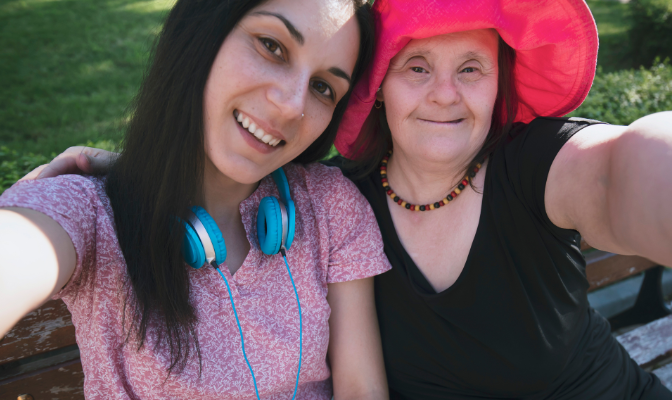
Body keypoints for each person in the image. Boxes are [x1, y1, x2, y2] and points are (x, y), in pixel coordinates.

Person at [20, 0, 672, 398]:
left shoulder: (530, 167)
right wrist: (134, 176)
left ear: (500, 87)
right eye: (416, 66)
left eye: (471, 69)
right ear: (380, 93)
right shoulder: (337, 203)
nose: (444, 94)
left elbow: (624, 170)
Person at [0, 0, 392, 398]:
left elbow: (361, 388)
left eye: (323, 87)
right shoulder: (92, 213)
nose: (292, 106)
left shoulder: (330, 206)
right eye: (272, 46)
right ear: (202, 31)